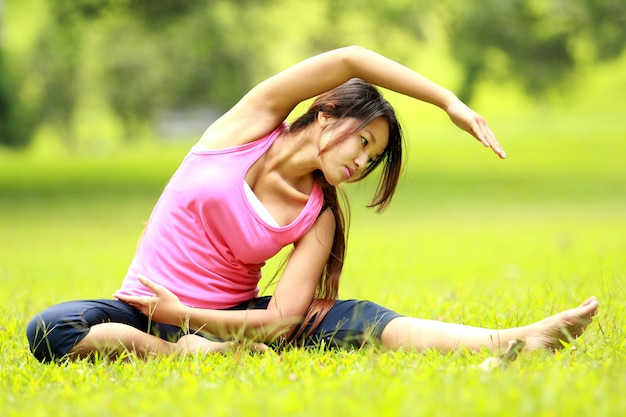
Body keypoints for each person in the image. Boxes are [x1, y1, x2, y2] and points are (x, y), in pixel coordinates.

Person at [26, 46, 598, 362]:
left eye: (372, 162)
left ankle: (515, 340)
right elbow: (350, 57)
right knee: (52, 329)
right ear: (327, 113)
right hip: (143, 310)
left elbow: (278, 322)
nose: (360, 165)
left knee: (361, 320)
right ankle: (184, 358)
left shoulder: (317, 215)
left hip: (228, 324)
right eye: (363, 143)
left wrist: (192, 320)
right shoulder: (246, 128)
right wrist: (447, 100)